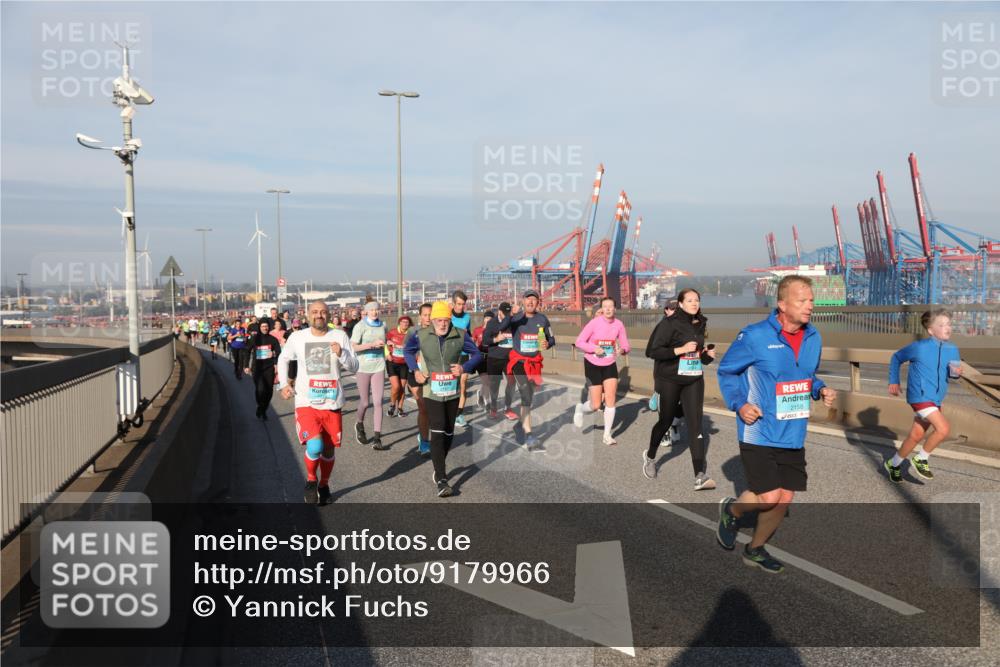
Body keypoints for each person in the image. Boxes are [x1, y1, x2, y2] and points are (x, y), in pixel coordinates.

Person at [716, 275, 836, 573]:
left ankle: (755, 549)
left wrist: (820, 389)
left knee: (784, 498)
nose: (810, 306)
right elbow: (727, 371)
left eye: (811, 300)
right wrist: (740, 404)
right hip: (759, 428)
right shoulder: (754, 336)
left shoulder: (814, 337)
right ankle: (731, 510)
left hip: (793, 430)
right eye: (802, 300)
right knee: (769, 497)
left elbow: (806, 376)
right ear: (782, 304)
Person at [277, 300, 359, 505]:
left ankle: (324, 484)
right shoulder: (298, 337)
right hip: (306, 402)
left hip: (332, 402)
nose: (319, 315)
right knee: (315, 445)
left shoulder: (339, 336)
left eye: (323, 312)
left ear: (329, 315)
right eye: (314, 312)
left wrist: (342, 354)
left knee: (329, 450)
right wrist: (284, 384)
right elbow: (283, 358)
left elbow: (354, 366)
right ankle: (311, 480)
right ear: (307, 315)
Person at [403, 301, 482, 497]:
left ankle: (439, 465)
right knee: (437, 430)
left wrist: (464, 367)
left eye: (445, 320)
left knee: (448, 432)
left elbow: (477, 354)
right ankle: (441, 478)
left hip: (452, 391)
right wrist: (415, 370)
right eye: (438, 320)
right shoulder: (421, 335)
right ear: (432, 320)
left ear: (450, 320)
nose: (442, 323)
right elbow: (407, 351)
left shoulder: (460, 334)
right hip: (432, 391)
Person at [643, 289, 717, 488]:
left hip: (693, 378)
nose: (694, 303)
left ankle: (699, 475)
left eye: (697, 300)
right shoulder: (669, 323)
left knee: (695, 425)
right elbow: (652, 351)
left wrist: (707, 356)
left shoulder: (700, 323)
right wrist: (680, 350)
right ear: (681, 304)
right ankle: (650, 457)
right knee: (665, 421)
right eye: (690, 300)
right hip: (669, 378)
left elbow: (697, 354)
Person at [884, 308, 962, 482]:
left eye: (949, 324)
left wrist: (957, 373)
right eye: (941, 325)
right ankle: (921, 458)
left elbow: (953, 374)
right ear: (930, 330)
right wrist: (894, 381)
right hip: (919, 396)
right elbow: (896, 357)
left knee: (916, 436)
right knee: (943, 429)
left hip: (935, 399)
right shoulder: (919, 347)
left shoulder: (953, 349)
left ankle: (893, 464)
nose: (947, 327)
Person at [499, 289, 556, 451]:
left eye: (534, 299)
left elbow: (552, 338)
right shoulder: (516, 318)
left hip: (534, 362)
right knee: (525, 393)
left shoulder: (542, 319)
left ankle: (519, 426)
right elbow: (501, 327)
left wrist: (548, 343)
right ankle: (530, 435)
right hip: (518, 361)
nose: (531, 302)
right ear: (523, 301)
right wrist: (510, 315)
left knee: (528, 398)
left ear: (538, 302)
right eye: (528, 299)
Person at [573, 297, 631, 446]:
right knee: (596, 405)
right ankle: (580, 409)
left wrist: (622, 350)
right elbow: (579, 342)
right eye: (605, 307)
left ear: (615, 309)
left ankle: (607, 435)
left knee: (610, 398)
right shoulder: (594, 323)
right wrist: (594, 349)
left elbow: (626, 345)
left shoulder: (619, 324)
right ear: (602, 309)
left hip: (609, 363)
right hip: (592, 363)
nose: (608, 309)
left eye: (611, 306)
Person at [351, 301, 388, 450]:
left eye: (377, 310)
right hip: (363, 367)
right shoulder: (360, 326)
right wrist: (371, 345)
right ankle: (359, 424)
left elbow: (385, 342)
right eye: (371, 310)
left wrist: (388, 346)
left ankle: (377, 438)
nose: (374, 312)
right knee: (365, 403)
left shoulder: (383, 325)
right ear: (366, 311)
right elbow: (353, 347)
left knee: (378, 402)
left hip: (379, 366)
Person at [482, 302, 518, 420]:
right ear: (499, 312)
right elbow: (485, 340)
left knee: (512, 382)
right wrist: (496, 339)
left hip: (509, 358)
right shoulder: (492, 323)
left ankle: (508, 408)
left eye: (509, 313)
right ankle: (493, 408)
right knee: (494, 385)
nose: (507, 315)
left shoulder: (513, 321)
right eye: (505, 313)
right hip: (495, 358)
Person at [407, 303, 434, 456]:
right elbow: (407, 353)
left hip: (431, 374)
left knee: (431, 408)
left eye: (430, 315)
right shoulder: (413, 331)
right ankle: (424, 442)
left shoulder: (438, 331)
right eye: (425, 315)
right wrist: (415, 369)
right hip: (415, 372)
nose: (428, 318)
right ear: (420, 317)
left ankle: (424, 432)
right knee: (423, 407)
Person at [246, 319, 282, 420]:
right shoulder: (254, 338)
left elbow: (279, 352)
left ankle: (262, 409)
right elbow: (247, 351)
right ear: (259, 327)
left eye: (266, 326)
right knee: (260, 389)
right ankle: (261, 407)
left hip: (269, 368)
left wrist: (273, 354)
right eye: (262, 326)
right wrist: (246, 365)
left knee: (269, 391)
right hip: (257, 368)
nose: (265, 328)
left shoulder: (273, 339)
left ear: (268, 327)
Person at [451, 290, 473, 428]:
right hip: (451, 354)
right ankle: (449, 411)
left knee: (463, 383)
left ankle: (459, 414)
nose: (461, 307)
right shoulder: (447, 316)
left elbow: (469, 333)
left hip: (464, 353)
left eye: (463, 304)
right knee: (453, 385)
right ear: (453, 303)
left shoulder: (467, 317)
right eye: (458, 304)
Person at [385, 315, 413, 418]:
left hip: (404, 363)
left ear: (409, 324)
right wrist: (387, 354)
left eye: (407, 322)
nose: (405, 324)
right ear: (399, 323)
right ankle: (392, 405)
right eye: (403, 322)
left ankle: (400, 409)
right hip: (392, 362)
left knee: (402, 388)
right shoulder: (392, 332)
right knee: (396, 386)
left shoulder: (411, 334)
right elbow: (385, 343)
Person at [472, 311, 493, 411]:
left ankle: (480, 394)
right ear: (484, 319)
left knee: (489, 382)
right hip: (480, 358)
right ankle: (487, 403)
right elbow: (472, 343)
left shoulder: (494, 331)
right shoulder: (477, 330)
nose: (488, 320)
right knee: (486, 381)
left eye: (490, 319)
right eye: (487, 318)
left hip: (491, 358)